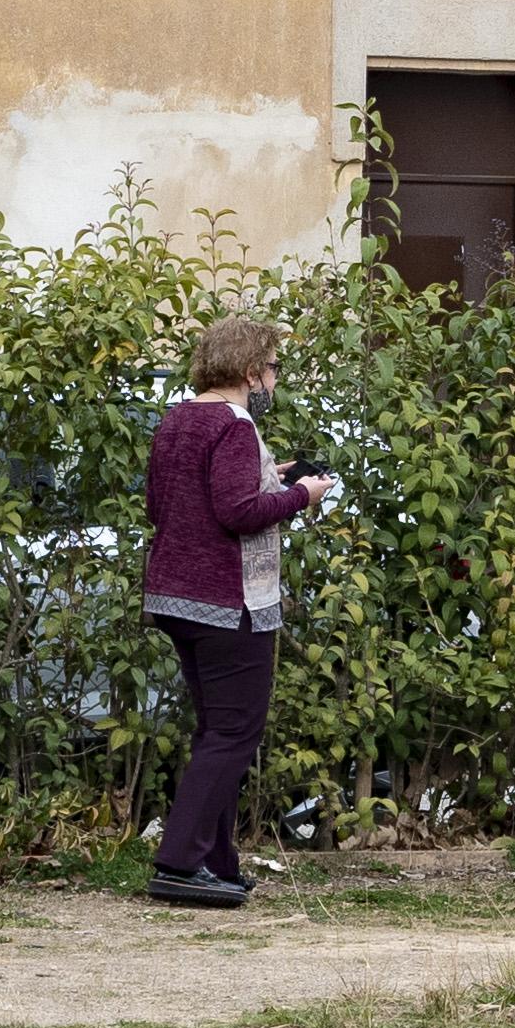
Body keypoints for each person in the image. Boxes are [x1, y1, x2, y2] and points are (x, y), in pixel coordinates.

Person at [142, 315, 331, 911]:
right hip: (228, 601)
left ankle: (214, 863)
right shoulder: (235, 424)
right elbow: (238, 513)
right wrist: (302, 494)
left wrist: (266, 479)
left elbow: (163, 501)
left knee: (215, 729)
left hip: (174, 595)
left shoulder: (178, 419)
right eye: (272, 368)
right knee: (233, 731)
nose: (274, 378)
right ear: (251, 372)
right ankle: (176, 862)